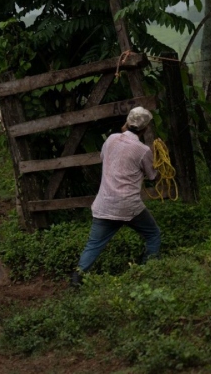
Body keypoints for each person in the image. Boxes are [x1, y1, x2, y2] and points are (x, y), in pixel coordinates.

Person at [69, 106, 161, 287]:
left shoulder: (110, 139)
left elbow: (105, 158)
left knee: (93, 244)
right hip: (128, 205)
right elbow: (152, 176)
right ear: (145, 129)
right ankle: (148, 272)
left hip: (105, 204)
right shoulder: (143, 150)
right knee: (153, 234)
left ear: (127, 122)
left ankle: (76, 279)